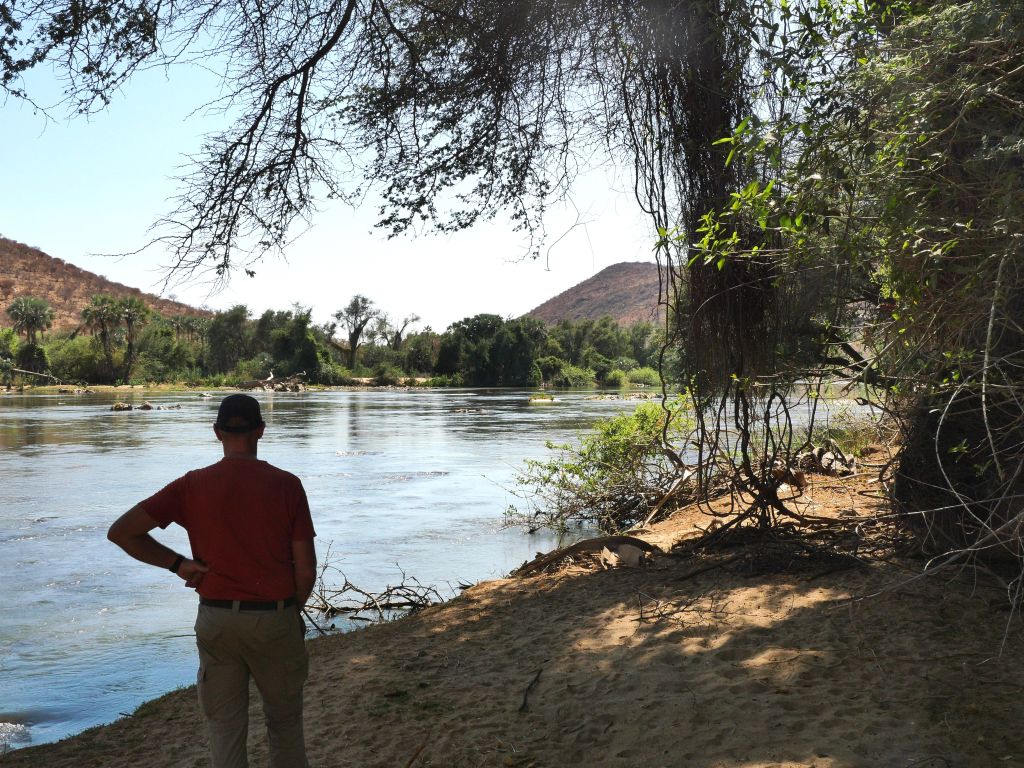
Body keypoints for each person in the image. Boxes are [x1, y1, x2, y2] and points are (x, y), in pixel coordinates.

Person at [108, 393, 317, 768]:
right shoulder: (287, 485)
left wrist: (177, 564)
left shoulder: (191, 485)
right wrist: (290, 611)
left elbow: (122, 532)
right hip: (274, 617)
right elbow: (306, 570)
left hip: (217, 620)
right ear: (261, 431)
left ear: (217, 432)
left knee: (224, 731)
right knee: (285, 727)